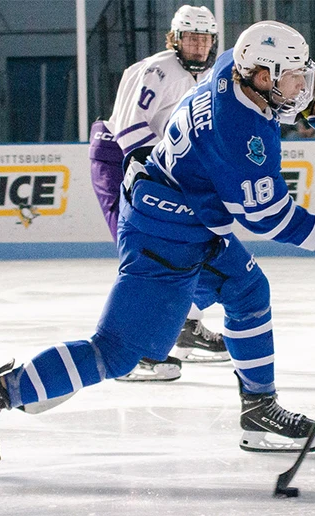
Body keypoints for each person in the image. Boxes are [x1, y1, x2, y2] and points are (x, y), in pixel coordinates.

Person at [0, 20, 315, 473]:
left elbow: (276, 106)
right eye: (292, 79)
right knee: (117, 351)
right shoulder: (242, 137)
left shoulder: (232, 66)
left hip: (184, 219)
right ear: (263, 77)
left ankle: (258, 410)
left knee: (248, 291)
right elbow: (267, 216)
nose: (301, 87)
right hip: (164, 237)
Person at [88, 5, 229, 381]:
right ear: (176, 38)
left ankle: (184, 328)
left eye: (204, 39)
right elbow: (129, 125)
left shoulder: (207, 77)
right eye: (190, 38)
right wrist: (159, 175)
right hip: (119, 159)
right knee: (144, 258)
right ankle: (130, 352)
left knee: (185, 249)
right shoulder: (159, 69)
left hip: (153, 168)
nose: (198, 46)